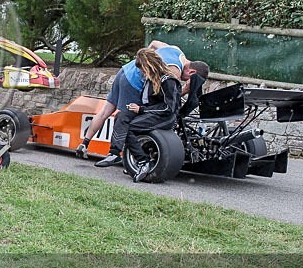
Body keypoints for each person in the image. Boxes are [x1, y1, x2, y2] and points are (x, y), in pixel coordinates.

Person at [75, 41, 209, 159]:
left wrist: (142, 60)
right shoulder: (174, 70)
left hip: (126, 69)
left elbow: (154, 43)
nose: (185, 82)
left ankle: (84, 144)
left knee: (105, 111)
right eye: (189, 81)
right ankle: (128, 158)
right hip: (134, 83)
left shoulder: (176, 50)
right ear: (191, 72)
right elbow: (166, 99)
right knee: (128, 119)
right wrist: (184, 91)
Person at [94, 48, 182, 182]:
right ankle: (114, 153)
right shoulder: (149, 80)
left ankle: (143, 161)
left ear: (149, 66)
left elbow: (170, 108)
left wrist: (141, 110)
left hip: (164, 117)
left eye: (142, 69)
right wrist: (136, 109)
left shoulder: (168, 81)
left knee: (129, 126)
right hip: (150, 113)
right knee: (121, 116)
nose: (140, 72)